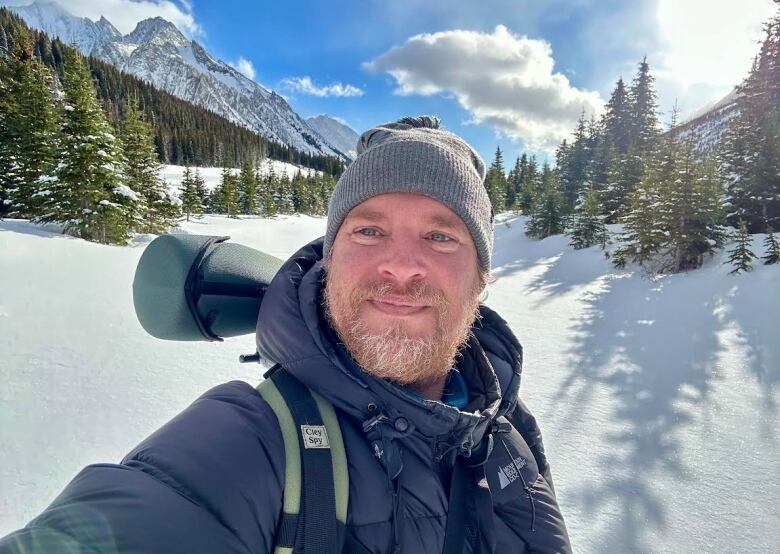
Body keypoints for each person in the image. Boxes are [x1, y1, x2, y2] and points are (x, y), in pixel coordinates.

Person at [0, 116, 571, 553]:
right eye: (368, 230)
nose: (401, 266)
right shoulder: (257, 439)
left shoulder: (505, 424)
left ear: (482, 277)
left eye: (441, 237)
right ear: (330, 262)